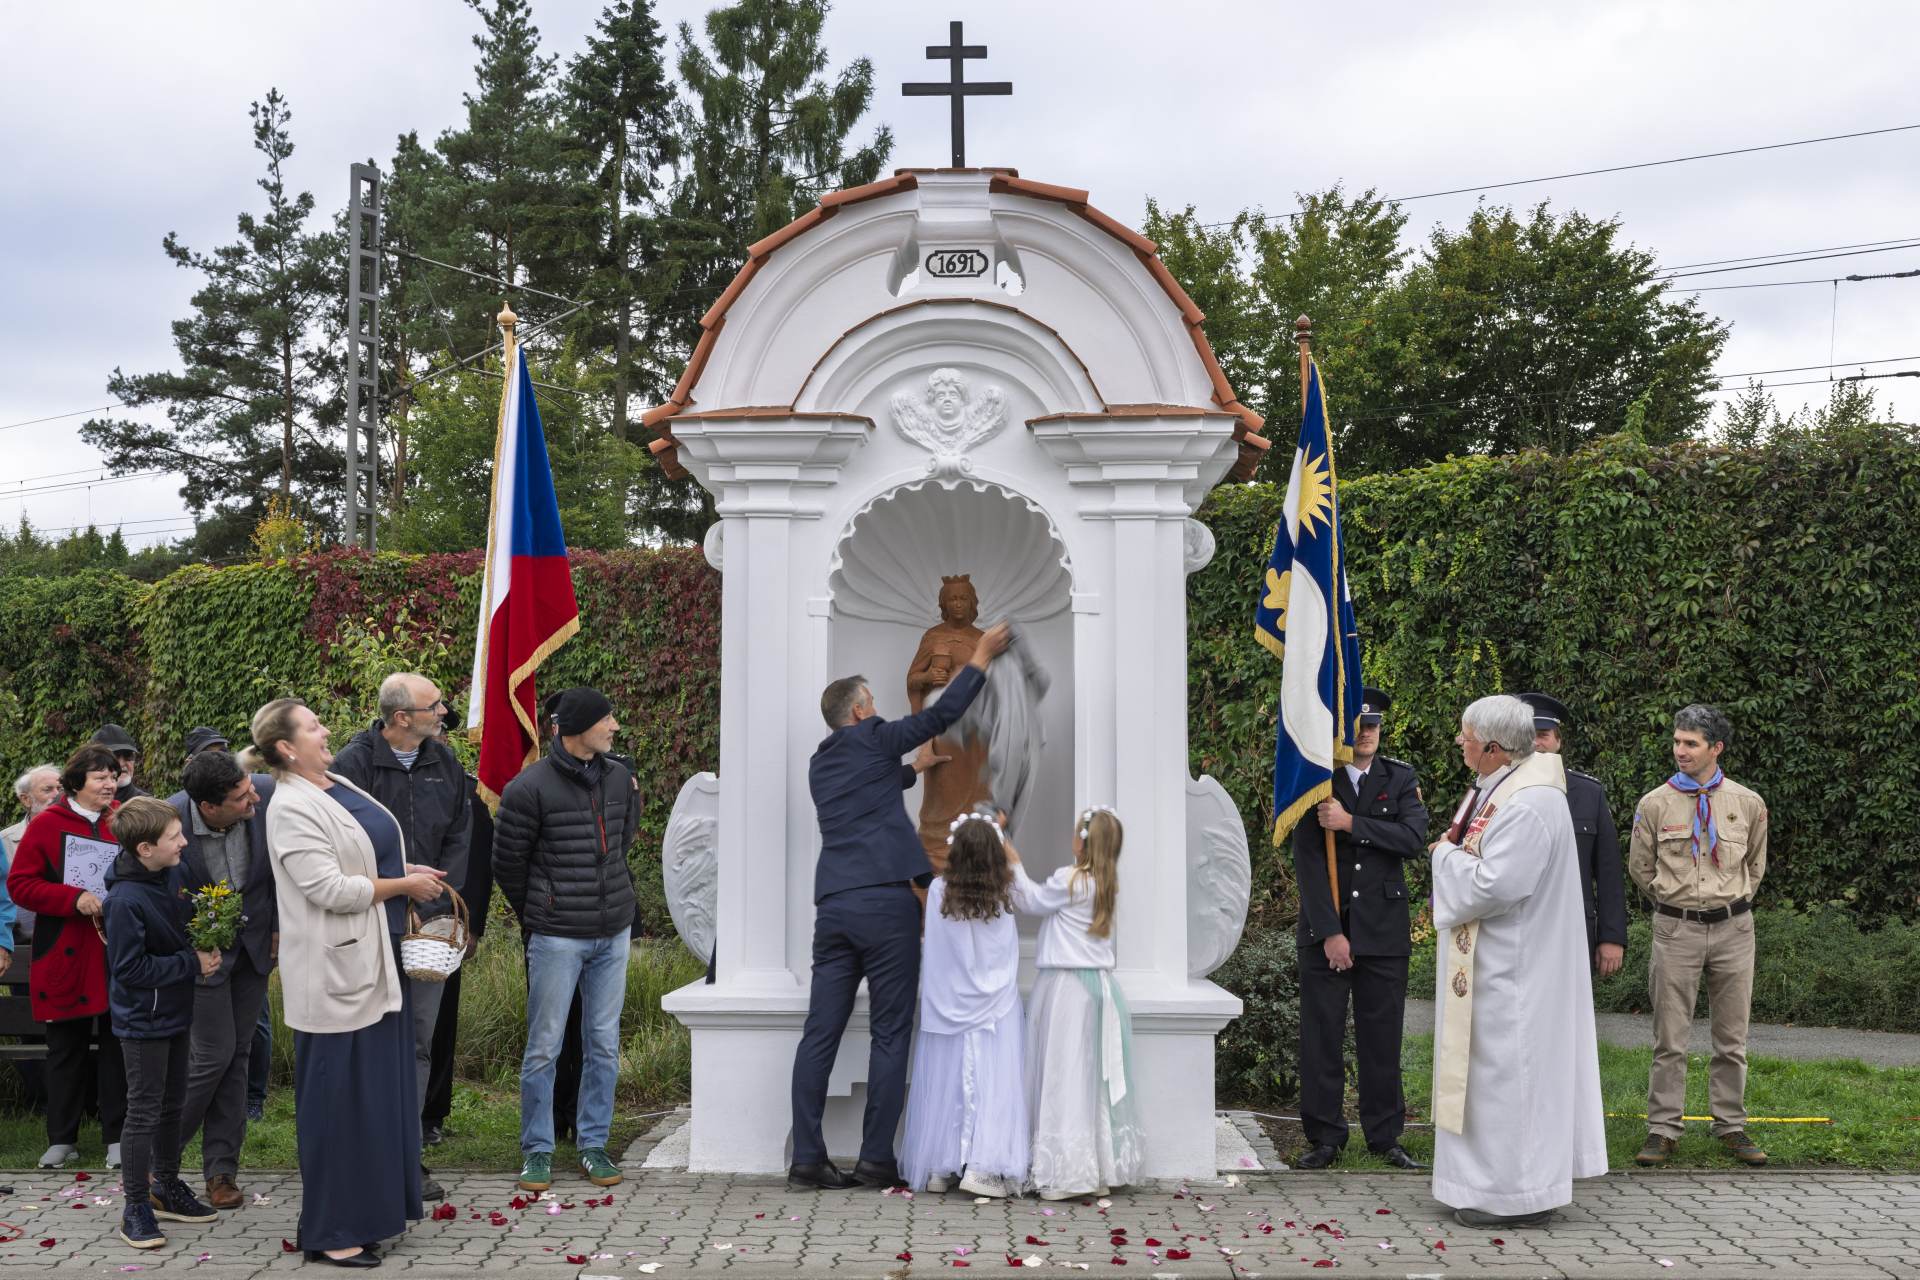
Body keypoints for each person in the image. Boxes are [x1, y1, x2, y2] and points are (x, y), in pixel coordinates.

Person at [789, 621, 1012, 1192]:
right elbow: (938, 717)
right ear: (863, 712)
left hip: (833, 905)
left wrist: (915, 769)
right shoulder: (875, 736)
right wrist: (981, 656)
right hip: (886, 905)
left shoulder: (823, 763)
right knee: (891, 1032)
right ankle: (874, 1161)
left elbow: (875, 784)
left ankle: (807, 1158)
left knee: (821, 1032)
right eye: (874, 704)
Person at [254, 696, 446, 1267]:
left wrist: (403, 872)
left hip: (376, 963)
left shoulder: (334, 782)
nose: (325, 729)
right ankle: (332, 1232)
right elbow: (331, 890)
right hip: (334, 974)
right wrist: (400, 889)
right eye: (312, 726)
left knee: (376, 1101)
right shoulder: (289, 805)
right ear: (286, 746)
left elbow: (363, 856)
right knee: (339, 1104)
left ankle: (375, 1214)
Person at [1427, 695, 1606, 1228]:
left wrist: (1443, 855)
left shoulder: (1529, 802)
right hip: (1500, 962)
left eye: (1465, 736)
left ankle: (1514, 1195)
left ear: (1493, 747)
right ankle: (1495, 1186)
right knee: (1498, 1077)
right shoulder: (1508, 785)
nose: (1459, 743)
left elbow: (1499, 884)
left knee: (1513, 1076)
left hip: (1516, 971)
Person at [331, 673, 471, 1202]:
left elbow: (461, 833)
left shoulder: (445, 762)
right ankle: (357, 1153)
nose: (444, 713)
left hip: (427, 930)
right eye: (435, 706)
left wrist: (434, 899)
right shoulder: (352, 767)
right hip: (369, 924)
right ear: (400, 719)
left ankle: (407, 1155)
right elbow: (342, 847)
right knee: (366, 1039)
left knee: (417, 1041)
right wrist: (397, 890)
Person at [494, 686, 639, 1194]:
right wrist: (541, 913)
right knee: (544, 1047)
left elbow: (623, 841)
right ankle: (537, 1151)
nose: (615, 726)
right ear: (577, 728)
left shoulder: (621, 778)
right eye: (607, 719)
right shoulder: (528, 788)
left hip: (612, 932)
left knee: (603, 1042)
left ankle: (593, 1144)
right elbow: (508, 863)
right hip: (556, 937)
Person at [1289, 687, 1428, 1171]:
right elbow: (1308, 862)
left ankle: (1385, 1137)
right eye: (1357, 725)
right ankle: (1325, 1137)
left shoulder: (1400, 777)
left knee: (1382, 1037)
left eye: (1372, 725)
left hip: (1383, 931)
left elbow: (1413, 838)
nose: (1366, 733)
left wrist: (1352, 823)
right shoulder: (1316, 782)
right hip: (1328, 932)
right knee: (1322, 1036)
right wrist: (1330, 933)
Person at [1628, 703, 1771, 1169]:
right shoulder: (1655, 803)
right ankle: (1662, 1129)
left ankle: (1731, 1125)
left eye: (1691, 743)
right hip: (1677, 929)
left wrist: (1733, 901)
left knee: (1732, 1037)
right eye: (1677, 742)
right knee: (1670, 1037)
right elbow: (1641, 867)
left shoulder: (1747, 803)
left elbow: (1755, 865)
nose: (1680, 750)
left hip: (1734, 929)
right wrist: (1672, 903)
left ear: (1716, 748)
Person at [101, 797, 223, 1250]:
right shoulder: (123, 901)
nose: (184, 843)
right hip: (142, 1021)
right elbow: (129, 970)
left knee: (174, 1104)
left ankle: (166, 1186)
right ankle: (135, 1205)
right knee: (144, 1111)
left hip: (176, 1010)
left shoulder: (173, 873)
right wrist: (189, 962)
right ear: (145, 849)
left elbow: (190, 918)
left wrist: (211, 931)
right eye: (174, 838)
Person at [1009, 805, 1144, 1200]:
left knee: (1063, 1076)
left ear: (1083, 841)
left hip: (1067, 987)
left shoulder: (1071, 880)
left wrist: (1013, 863)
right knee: (1092, 1080)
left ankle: (1067, 1173)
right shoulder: (1106, 883)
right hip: (1098, 989)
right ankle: (1097, 1165)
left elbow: (1031, 901)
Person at [7, 743, 129, 1169]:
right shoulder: (47, 825)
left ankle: (118, 1137)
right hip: (64, 949)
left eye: (113, 776)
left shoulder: (123, 821)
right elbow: (21, 885)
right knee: (65, 1046)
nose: (110, 783)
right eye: (100, 777)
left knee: (118, 1044)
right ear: (76, 783)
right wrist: (71, 897)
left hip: (116, 951)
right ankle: (61, 1138)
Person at [168, 747, 276, 1210]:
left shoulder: (267, 796)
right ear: (207, 807)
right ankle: (157, 1161)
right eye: (239, 798)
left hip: (254, 952)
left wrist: (277, 929)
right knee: (212, 1056)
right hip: (202, 956)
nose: (251, 800)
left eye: (249, 789)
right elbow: (138, 884)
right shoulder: (168, 817)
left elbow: (278, 871)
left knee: (239, 1054)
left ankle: (221, 1172)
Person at [900, 812, 1029, 1196]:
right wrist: (1006, 841)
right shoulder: (1006, 892)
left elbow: (939, 948)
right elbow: (1029, 892)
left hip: (948, 1003)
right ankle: (982, 1165)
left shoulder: (939, 891)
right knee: (992, 1085)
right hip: (994, 1006)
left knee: (947, 1084)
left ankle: (942, 1165)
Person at [1517, 693, 1627, 979]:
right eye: (1528, 735)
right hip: (1516, 928)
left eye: (1543, 735)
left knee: (1573, 1019)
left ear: (1558, 741)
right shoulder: (1499, 791)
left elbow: (1608, 871)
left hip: (1573, 929)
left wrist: (1611, 937)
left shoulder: (1589, 794)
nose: (1535, 743)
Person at [422, 712, 493, 1148]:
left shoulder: (468, 791)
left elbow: (480, 867)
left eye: (438, 733)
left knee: (440, 1020)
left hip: (448, 921)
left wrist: (471, 927)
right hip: (395, 913)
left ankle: (432, 1112)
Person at [90, 725, 151, 803]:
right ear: (92, 762)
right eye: (114, 756)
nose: (121, 764)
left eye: (128, 756)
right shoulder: (79, 803)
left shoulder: (146, 804)